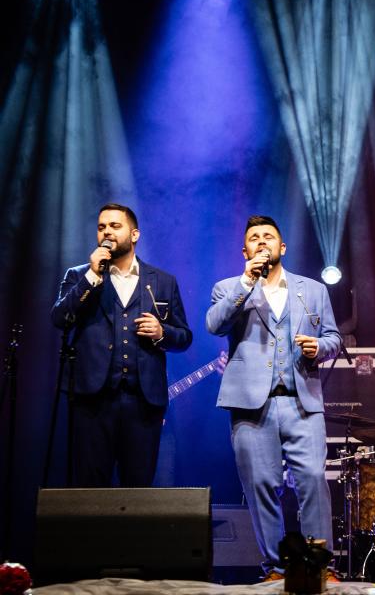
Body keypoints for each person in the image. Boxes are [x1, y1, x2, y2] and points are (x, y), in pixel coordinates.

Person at [206, 215, 341, 576]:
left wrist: (319, 347)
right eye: (254, 237)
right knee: (262, 485)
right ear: (245, 251)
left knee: (312, 480)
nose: (262, 241)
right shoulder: (228, 287)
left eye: (268, 236)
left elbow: (334, 337)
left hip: (302, 401)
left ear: (282, 247)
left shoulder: (313, 289)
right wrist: (247, 282)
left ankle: (319, 566)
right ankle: (275, 568)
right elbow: (215, 324)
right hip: (251, 404)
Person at [50, 203, 192, 487]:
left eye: (115, 226)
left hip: (143, 403)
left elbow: (184, 337)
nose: (107, 232)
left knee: (137, 488)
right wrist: (92, 276)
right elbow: (60, 318)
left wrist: (161, 332)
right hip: (92, 400)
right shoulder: (79, 276)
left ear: (134, 234)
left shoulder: (162, 281)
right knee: (90, 488)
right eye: (102, 227)